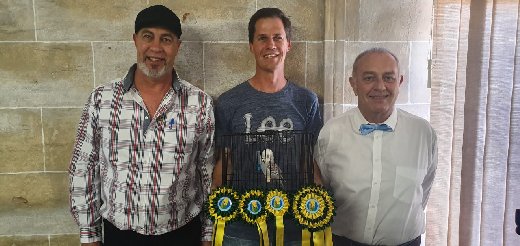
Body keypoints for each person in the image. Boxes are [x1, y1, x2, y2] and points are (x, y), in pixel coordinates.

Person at [68, 5, 214, 246]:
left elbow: (206, 171)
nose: (156, 48)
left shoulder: (199, 103)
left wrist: (208, 233)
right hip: (119, 235)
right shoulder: (101, 99)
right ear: (135, 40)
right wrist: (89, 234)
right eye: (148, 36)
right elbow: (84, 168)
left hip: (183, 233)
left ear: (178, 45)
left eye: (166, 39)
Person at [212, 7, 323, 245]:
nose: (270, 45)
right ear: (251, 45)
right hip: (240, 227)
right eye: (262, 38)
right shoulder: (229, 102)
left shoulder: (307, 101)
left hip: (295, 224)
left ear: (288, 44)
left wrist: (321, 213)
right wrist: (212, 222)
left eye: (277, 37)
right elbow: (225, 162)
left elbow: (310, 159)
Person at [314, 47, 438, 246]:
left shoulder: (423, 134)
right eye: (369, 78)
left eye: (388, 78)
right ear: (353, 84)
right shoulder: (331, 133)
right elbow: (325, 188)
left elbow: (424, 190)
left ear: (400, 82)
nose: (380, 86)